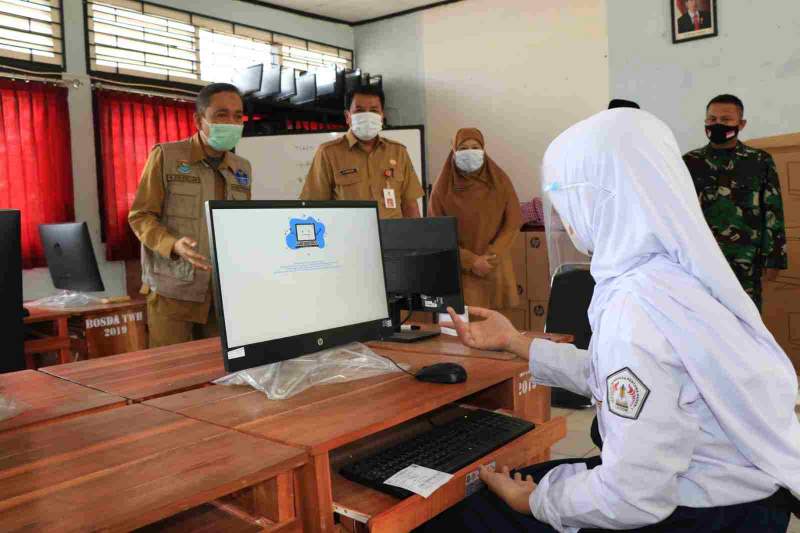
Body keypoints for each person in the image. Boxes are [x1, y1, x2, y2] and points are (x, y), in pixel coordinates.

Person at [420, 109, 800, 532]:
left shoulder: (636, 309)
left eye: (563, 197)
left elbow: (632, 497)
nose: (563, 217)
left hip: (701, 515)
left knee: (463, 514)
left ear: (596, 198)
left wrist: (534, 500)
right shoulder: (675, 276)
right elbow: (619, 376)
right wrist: (513, 341)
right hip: (744, 500)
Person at [129, 83, 251, 348]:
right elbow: (141, 216)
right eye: (221, 115)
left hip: (221, 293)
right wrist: (173, 244)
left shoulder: (242, 168)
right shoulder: (167, 156)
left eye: (237, 116)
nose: (231, 122)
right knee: (172, 368)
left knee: (220, 368)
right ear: (199, 120)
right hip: (173, 290)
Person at [684, 94, 787, 311]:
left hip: (745, 259)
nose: (717, 124)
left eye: (726, 119)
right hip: (701, 259)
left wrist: (774, 258)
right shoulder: (689, 162)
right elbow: (678, 210)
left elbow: (773, 210)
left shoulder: (759, 160)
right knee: (702, 317)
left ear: (741, 124)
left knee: (745, 319)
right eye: (712, 119)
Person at [429, 128, 523, 310]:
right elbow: (437, 235)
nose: (470, 152)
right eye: (463, 148)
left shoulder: (500, 181)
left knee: (498, 326)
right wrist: (471, 261)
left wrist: (491, 256)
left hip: (496, 270)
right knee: (464, 325)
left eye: (475, 147)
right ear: (454, 151)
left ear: (483, 150)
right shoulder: (441, 189)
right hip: (461, 273)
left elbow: (513, 223)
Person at [299, 85, 424, 219]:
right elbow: (314, 207)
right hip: (350, 231)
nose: (367, 116)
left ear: (382, 116)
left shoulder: (398, 152)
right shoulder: (328, 153)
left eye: (374, 111)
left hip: (393, 231)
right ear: (348, 116)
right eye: (359, 110)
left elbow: (410, 205)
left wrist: (417, 232)